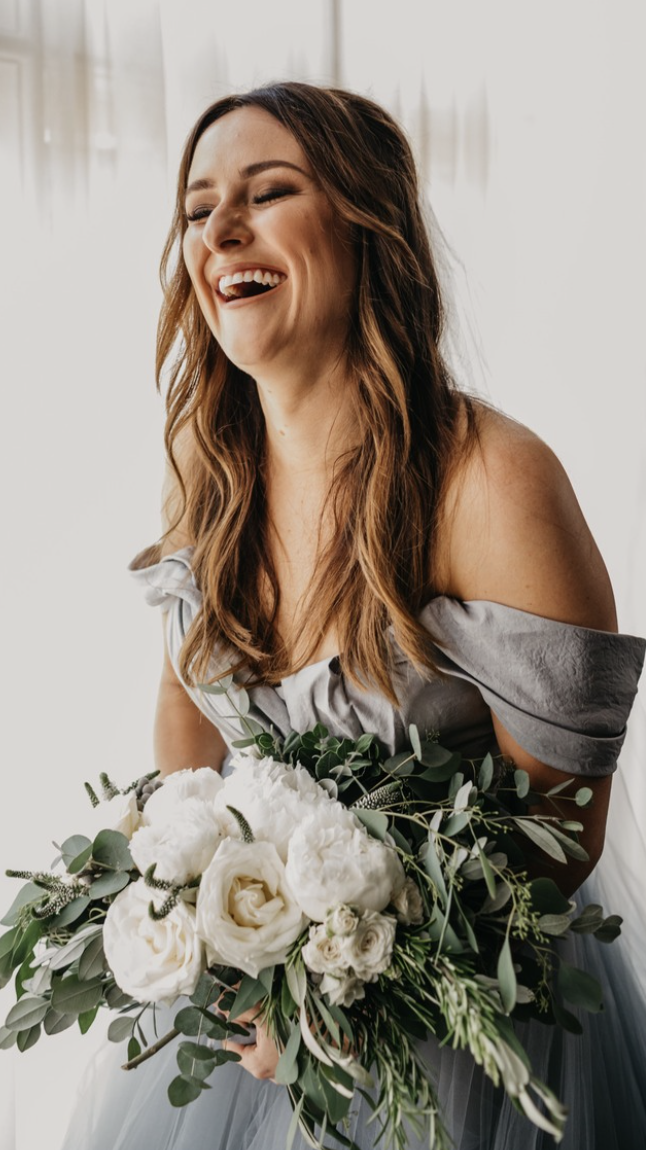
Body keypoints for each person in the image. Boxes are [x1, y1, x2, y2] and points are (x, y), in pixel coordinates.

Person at [63, 83, 646, 1150]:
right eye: (197, 209)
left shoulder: (492, 483)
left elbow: (557, 835)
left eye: (265, 192)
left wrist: (338, 992)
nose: (219, 231)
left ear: (364, 223)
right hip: (245, 1033)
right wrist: (187, 904)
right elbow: (184, 715)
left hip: (463, 1036)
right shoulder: (206, 466)